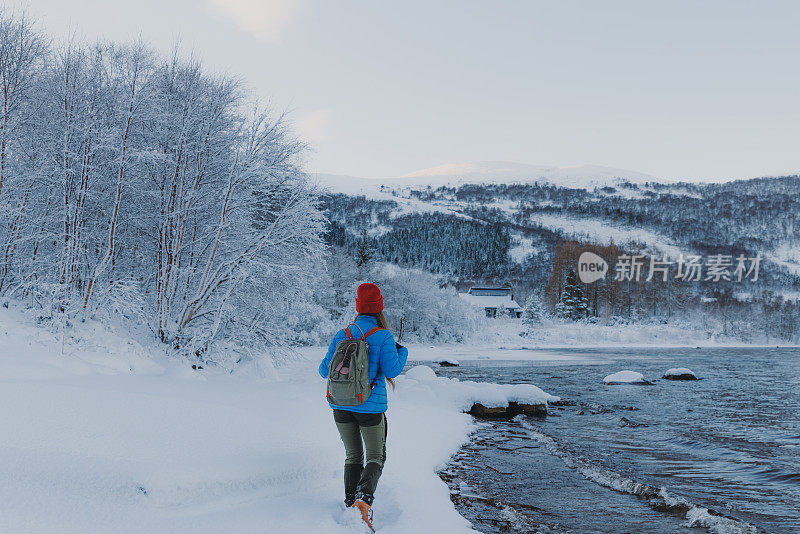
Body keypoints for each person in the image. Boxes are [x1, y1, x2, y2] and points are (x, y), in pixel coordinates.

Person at [319, 282, 408, 529]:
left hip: (341, 406)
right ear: (379, 309)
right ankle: (364, 501)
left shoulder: (342, 334)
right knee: (376, 456)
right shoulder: (383, 336)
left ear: (358, 308)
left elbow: (322, 370)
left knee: (352, 456)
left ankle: (350, 503)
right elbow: (392, 369)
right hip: (370, 408)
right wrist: (404, 352)